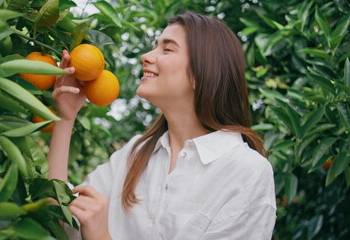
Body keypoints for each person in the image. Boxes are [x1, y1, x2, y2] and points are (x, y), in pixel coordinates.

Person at [48, 11, 276, 240]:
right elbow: (61, 219)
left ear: (201, 72)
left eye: (167, 49)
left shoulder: (246, 171)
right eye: (154, 46)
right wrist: (65, 118)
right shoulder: (135, 153)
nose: (146, 56)